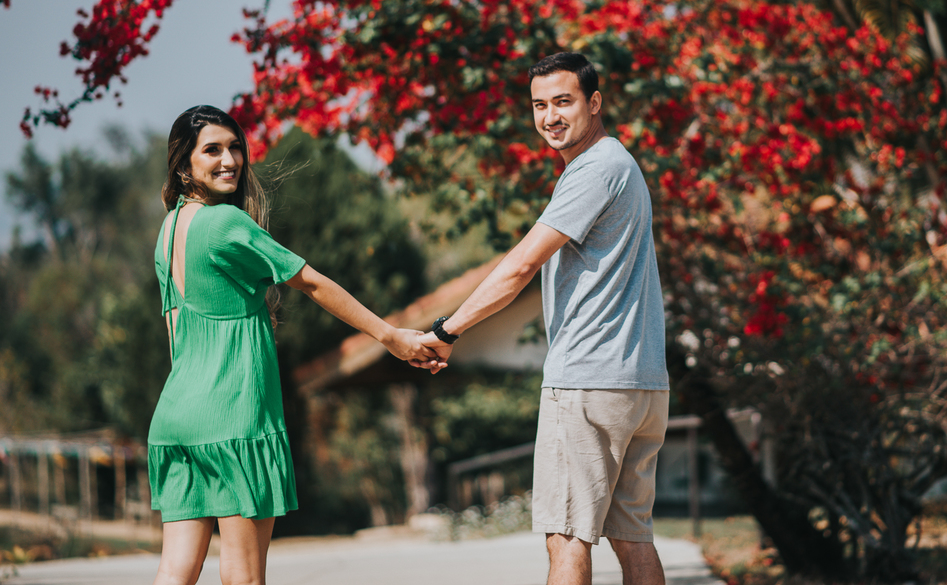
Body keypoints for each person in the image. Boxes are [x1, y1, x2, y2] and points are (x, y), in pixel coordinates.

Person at [149, 105, 441, 585]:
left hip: (177, 418)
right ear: (184, 164)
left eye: (235, 147)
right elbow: (312, 282)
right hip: (233, 417)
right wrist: (391, 337)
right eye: (212, 150)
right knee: (244, 574)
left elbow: (175, 332)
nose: (230, 160)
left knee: (174, 570)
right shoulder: (225, 223)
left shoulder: (169, 229)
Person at [418, 53, 670, 585]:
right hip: (640, 383)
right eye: (539, 105)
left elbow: (519, 267)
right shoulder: (621, 164)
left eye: (563, 101)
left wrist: (446, 331)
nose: (550, 117)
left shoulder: (594, 169)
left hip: (588, 383)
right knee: (633, 537)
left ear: (594, 103)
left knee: (566, 538)